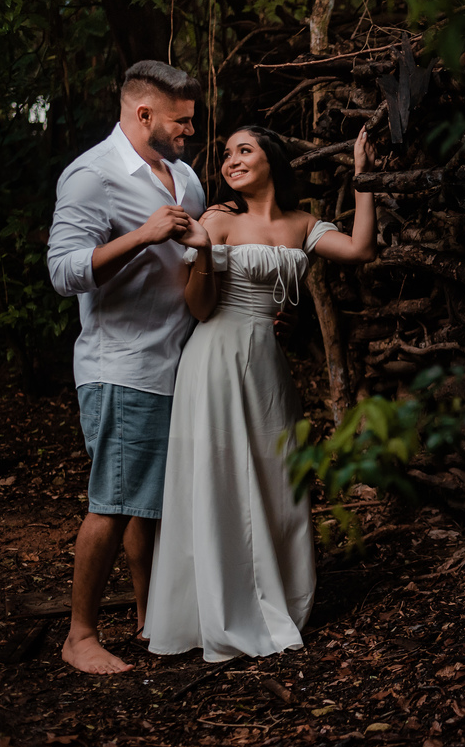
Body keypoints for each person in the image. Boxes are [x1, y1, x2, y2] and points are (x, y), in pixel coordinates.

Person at [143, 124, 378, 662]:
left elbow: (362, 248)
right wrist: (204, 249)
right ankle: (218, 607)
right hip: (215, 356)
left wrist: (365, 176)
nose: (231, 161)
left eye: (243, 150)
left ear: (272, 159)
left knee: (278, 474)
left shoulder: (302, 224)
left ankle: (281, 597)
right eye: (225, 155)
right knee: (220, 476)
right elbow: (199, 308)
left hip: (267, 365)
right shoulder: (218, 219)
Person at [47, 60, 210, 674]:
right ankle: (79, 636)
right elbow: (63, 272)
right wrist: (141, 236)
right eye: (181, 121)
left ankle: (150, 618)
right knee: (113, 501)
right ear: (144, 114)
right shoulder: (92, 175)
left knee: (151, 502)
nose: (190, 131)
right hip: (120, 364)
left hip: (178, 363)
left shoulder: (186, 179)